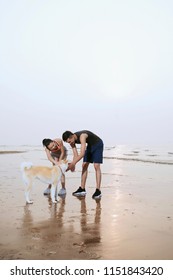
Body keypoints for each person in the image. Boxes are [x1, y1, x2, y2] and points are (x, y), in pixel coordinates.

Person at [62, 130, 104, 199]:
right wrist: (72, 165)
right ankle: (82, 189)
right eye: (68, 142)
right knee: (84, 165)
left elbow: (82, 154)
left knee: (96, 166)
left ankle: (98, 190)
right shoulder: (71, 141)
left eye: (70, 141)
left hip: (98, 144)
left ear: (72, 136)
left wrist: (72, 164)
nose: (70, 143)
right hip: (90, 146)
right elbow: (76, 155)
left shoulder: (82, 136)